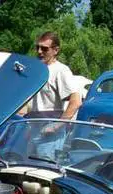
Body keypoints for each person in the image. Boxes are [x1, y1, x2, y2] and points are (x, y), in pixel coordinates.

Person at [26, 31, 81, 159]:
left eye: (44, 49)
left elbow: (76, 101)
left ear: (55, 50)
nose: (39, 52)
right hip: (34, 126)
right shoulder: (37, 69)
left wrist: (56, 126)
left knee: (43, 171)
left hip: (50, 131)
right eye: (37, 47)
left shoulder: (61, 70)